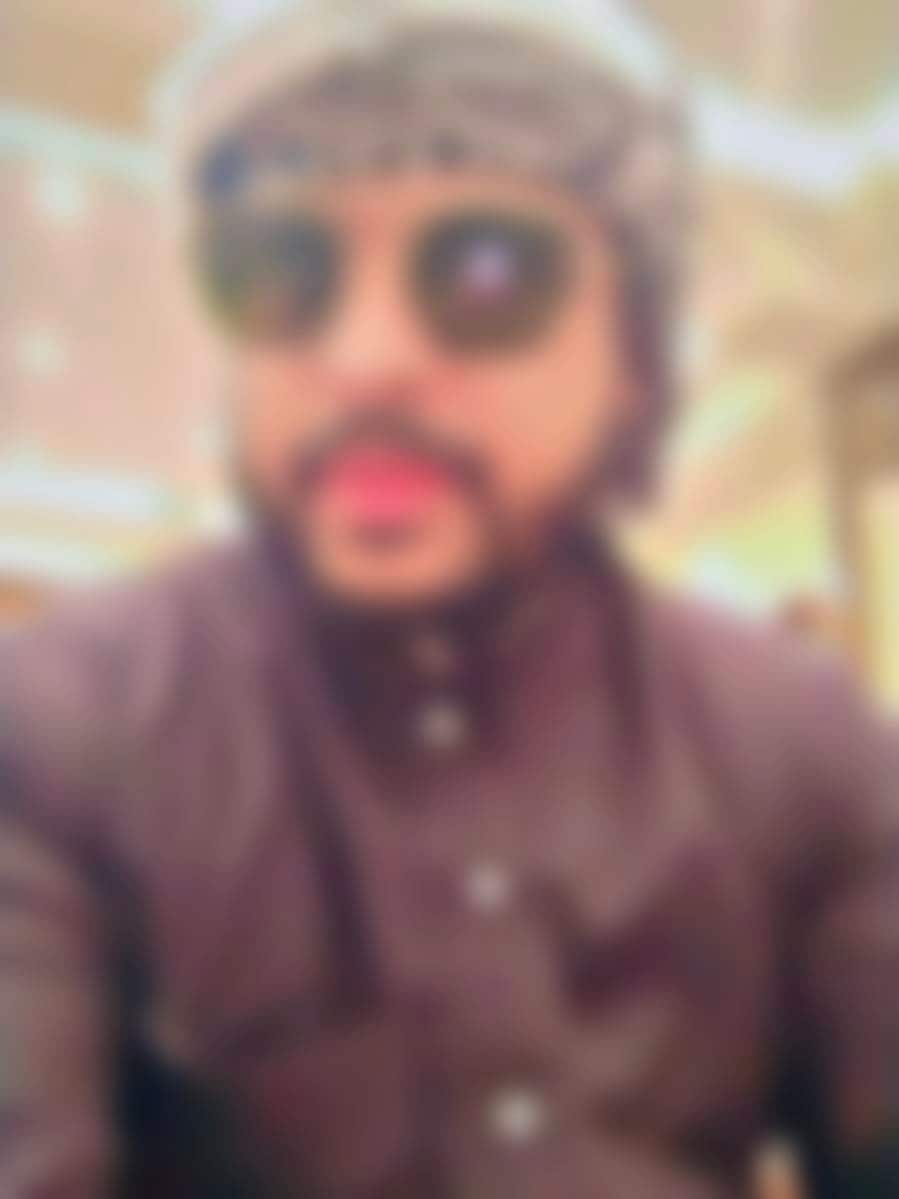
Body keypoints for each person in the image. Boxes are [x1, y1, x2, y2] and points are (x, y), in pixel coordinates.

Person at [1, 3, 897, 1196]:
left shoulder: (798, 732)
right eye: (280, 270)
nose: (366, 358)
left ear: (632, 353)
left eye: (487, 270)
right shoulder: (55, 720)